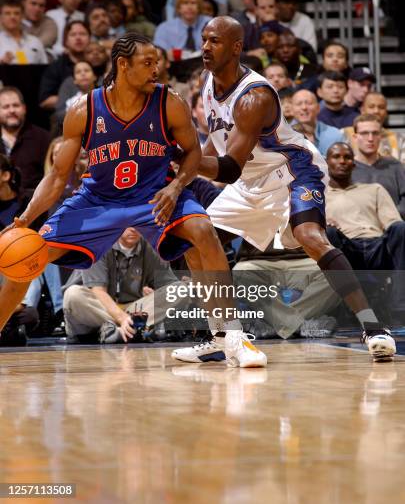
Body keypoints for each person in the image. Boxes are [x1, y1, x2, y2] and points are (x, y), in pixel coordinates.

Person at [0, 32, 266, 369]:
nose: (156, 69)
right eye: (148, 63)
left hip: (155, 194)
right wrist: (26, 218)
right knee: (27, 254)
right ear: (123, 65)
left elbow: (193, 153)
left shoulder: (169, 102)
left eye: (158, 62)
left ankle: (229, 337)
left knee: (202, 229)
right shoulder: (85, 109)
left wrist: (175, 188)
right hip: (98, 199)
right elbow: (55, 179)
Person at [172, 16, 396, 363]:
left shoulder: (254, 95)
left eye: (214, 41)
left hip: (292, 170)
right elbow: (221, 153)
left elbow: (228, 169)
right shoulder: (207, 82)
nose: (204, 47)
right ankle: (221, 335)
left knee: (309, 236)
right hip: (251, 180)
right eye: (203, 40)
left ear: (236, 47)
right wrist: (183, 170)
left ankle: (373, 327)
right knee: (194, 238)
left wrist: (180, 157)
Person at [325, 141, 405, 314]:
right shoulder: (320, 195)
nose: (342, 161)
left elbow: (393, 222)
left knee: (401, 229)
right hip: (344, 248)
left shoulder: (374, 189)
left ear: (353, 164)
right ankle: (334, 309)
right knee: (328, 233)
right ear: (326, 162)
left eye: (347, 157)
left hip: (377, 247)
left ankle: (400, 308)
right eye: (336, 157)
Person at [63, 226, 179, 343]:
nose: (133, 229)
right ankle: (133, 329)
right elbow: (98, 291)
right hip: (99, 309)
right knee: (73, 295)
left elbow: (169, 286)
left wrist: (155, 294)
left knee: (179, 289)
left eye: (138, 224)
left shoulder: (151, 245)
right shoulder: (98, 243)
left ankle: (116, 332)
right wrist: (122, 318)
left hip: (132, 308)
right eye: (129, 224)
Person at [351, 114, 405, 217]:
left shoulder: (394, 166)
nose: (370, 138)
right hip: (356, 228)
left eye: (375, 133)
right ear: (355, 137)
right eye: (364, 133)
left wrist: (393, 216)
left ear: (380, 136)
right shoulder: (347, 169)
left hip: (393, 226)